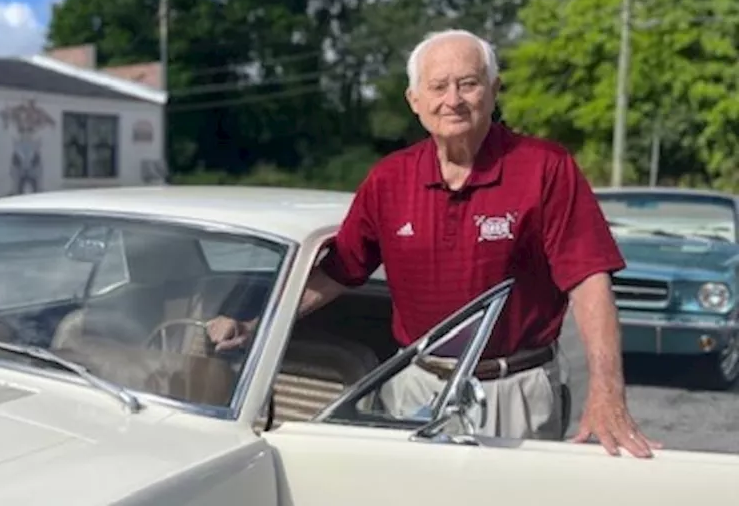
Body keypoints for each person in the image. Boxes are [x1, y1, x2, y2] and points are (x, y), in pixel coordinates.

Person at [206, 29, 660, 459]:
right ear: (414, 101)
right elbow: (342, 270)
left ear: (494, 89)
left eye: (468, 84)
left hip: (516, 389)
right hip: (416, 385)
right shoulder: (389, 179)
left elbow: (588, 281)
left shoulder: (546, 168)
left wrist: (607, 392)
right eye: (438, 86)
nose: (453, 100)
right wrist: (256, 324)